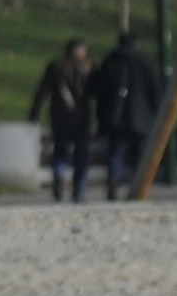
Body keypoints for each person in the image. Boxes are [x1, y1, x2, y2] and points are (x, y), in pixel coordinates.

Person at [90, 28, 165, 198]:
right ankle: (139, 185)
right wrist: (155, 112)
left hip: (116, 116)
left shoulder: (111, 62)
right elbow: (155, 90)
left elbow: (100, 90)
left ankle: (114, 182)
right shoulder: (145, 63)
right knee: (140, 152)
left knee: (116, 151)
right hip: (141, 117)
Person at [28, 39, 97, 201]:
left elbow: (43, 91)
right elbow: (95, 92)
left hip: (59, 116)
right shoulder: (88, 68)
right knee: (81, 155)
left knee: (60, 151)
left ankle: (59, 178)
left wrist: (34, 113)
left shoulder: (56, 66)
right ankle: (79, 190)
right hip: (81, 117)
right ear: (82, 51)